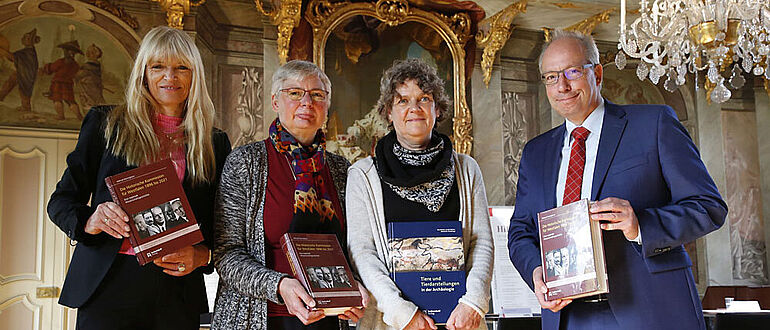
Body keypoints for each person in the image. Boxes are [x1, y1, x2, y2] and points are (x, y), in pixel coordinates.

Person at [507, 30, 727, 330]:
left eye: (572, 71)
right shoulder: (536, 152)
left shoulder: (654, 123)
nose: (562, 85)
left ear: (596, 73)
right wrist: (535, 272)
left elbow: (708, 207)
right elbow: (521, 232)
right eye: (551, 76)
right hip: (568, 316)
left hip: (650, 310)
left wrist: (640, 225)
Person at [47, 26, 231, 329]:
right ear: (143, 73)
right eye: (158, 66)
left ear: (194, 75)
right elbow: (61, 201)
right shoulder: (105, 124)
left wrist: (203, 256)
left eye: (181, 68)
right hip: (108, 283)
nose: (169, 77)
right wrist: (90, 220)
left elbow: (222, 225)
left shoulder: (215, 142)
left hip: (177, 290)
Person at [212, 60, 368, 330]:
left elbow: (353, 249)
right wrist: (280, 285)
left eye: (317, 95)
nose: (307, 102)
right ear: (275, 101)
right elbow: (226, 254)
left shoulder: (342, 170)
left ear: (327, 105)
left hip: (329, 320)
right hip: (261, 318)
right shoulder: (245, 163)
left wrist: (356, 284)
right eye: (294, 93)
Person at [346, 58, 493, 330]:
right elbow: (362, 252)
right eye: (402, 101)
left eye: (424, 98)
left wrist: (473, 303)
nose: (414, 108)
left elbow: (481, 242)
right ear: (388, 111)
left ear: (437, 109)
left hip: (459, 322)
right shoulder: (363, 175)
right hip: (389, 322)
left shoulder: (466, 168)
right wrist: (402, 313)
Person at [41, 40, 83, 120]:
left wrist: (45, 68)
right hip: (68, 85)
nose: (65, 52)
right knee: (70, 101)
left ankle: (61, 116)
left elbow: (51, 68)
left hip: (57, 84)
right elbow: (76, 74)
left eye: (66, 50)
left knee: (57, 99)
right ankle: (79, 116)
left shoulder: (60, 62)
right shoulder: (76, 65)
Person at [0, 28, 40, 112]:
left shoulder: (29, 52)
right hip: (21, 72)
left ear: (29, 40)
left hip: (26, 74)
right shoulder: (26, 51)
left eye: (25, 37)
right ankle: (1, 96)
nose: (22, 39)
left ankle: (26, 107)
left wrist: (3, 52)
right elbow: (14, 57)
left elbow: (13, 57)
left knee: (24, 90)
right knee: (10, 81)